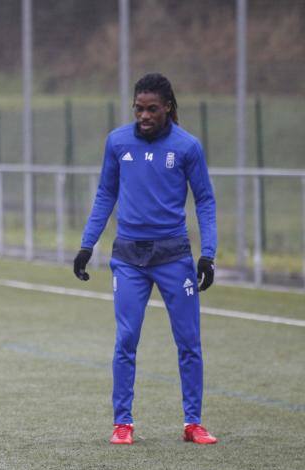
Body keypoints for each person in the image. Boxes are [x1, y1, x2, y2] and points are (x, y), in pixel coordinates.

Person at [73, 73, 219, 446]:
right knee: (126, 340)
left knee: (188, 342)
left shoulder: (187, 147)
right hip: (129, 259)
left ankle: (193, 423)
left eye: (152, 109)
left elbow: (204, 199)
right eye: (139, 108)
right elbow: (106, 193)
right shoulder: (118, 142)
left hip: (174, 257)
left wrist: (208, 254)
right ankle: (123, 423)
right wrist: (87, 245)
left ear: (168, 107)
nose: (144, 115)